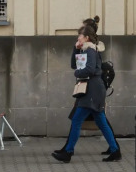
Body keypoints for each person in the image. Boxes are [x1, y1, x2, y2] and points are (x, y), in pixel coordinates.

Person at [52, 16, 121, 163]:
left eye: (80, 37)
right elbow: (73, 64)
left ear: (87, 38)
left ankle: (68, 152)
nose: (78, 38)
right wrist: (75, 48)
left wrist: (78, 74)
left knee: (77, 120)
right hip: (91, 89)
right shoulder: (84, 50)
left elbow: (89, 70)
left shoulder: (90, 51)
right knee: (101, 121)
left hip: (92, 89)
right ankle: (115, 150)